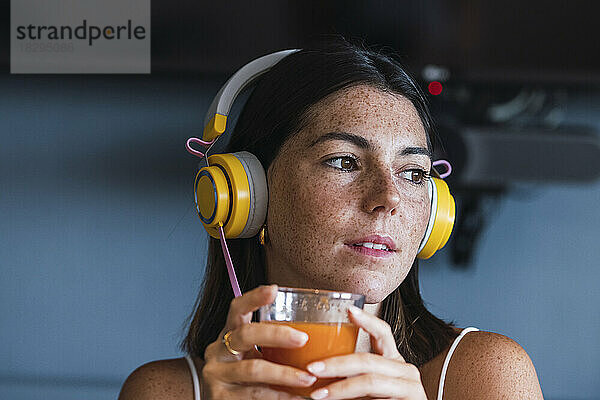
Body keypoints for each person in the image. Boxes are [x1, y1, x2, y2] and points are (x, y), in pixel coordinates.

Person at [118, 35, 544, 400]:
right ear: (250, 195)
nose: (388, 198)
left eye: (413, 173)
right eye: (343, 162)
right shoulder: (164, 390)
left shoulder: (486, 374)